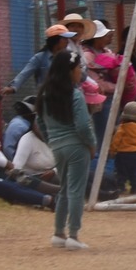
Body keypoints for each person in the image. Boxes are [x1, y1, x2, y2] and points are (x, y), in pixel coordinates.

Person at [38, 50, 98, 249]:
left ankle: (58, 233)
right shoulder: (75, 94)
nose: (80, 71)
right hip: (76, 146)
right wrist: (91, 144)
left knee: (64, 189)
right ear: (69, 70)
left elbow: (40, 121)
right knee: (76, 191)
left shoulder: (45, 94)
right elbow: (82, 125)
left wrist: (51, 141)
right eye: (78, 67)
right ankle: (74, 235)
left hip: (57, 146)